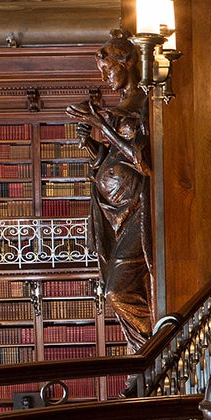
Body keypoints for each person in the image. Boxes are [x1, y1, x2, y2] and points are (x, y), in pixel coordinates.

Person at [67, 30, 155, 362]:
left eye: (108, 69)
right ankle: (145, 351)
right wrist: (93, 147)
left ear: (127, 62)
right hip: (116, 213)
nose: (105, 78)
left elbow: (143, 160)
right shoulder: (121, 106)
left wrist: (101, 126)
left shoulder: (147, 102)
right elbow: (114, 161)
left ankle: (153, 347)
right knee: (114, 287)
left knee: (117, 290)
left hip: (141, 210)